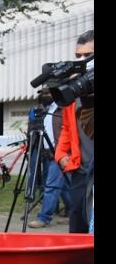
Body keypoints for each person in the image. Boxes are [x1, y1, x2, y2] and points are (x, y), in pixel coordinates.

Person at [54, 29, 94, 234]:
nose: (82, 60)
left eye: (88, 55)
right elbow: (67, 128)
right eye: (78, 55)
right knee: (77, 226)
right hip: (81, 170)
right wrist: (60, 154)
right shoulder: (73, 91)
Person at [28, 93, 71, 228]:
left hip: (59, 154)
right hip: (47, 153)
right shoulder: (45, 109)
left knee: (51, 186)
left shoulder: (62, 108)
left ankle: (44, 218)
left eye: (48, 93)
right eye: (43, 93)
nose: (45, 95)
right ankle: (73, 213)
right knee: (64, 187)